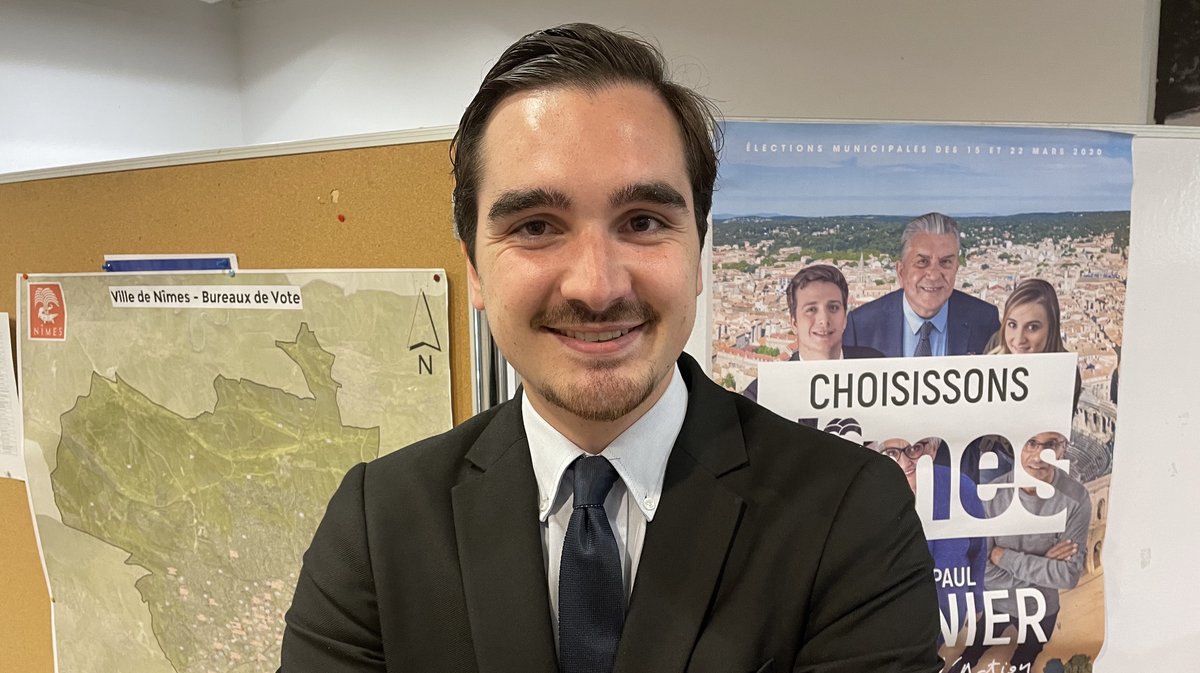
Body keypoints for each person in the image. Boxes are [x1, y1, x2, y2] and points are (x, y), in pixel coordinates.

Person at [279, 23, 941, 673]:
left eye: (643, 221)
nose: (597, 285)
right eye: (537, 226)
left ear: (698, 250)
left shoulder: (848, 512)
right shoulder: (380, 523)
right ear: (474, 270)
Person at [947, 431, 1090, 673]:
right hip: (995, 604)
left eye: (1050, 445)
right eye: (1031, 443)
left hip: (1042, 609)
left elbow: (1068, 575)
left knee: (1024, 662)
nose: (1039, 455)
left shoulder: (1076, 498)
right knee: (970, 655)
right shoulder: (991, 494)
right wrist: (1044, 562)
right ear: (1018, 445)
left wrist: (1004, 557)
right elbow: (985, 573)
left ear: (1063, 448)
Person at [873, 437, 986, 648]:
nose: (905, 462)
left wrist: (977, 601)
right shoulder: (869, 494)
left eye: (915, 448)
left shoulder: (962, 487)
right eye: (891, 453)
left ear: (933, 449)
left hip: (950, 625)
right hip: (891, 631)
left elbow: (977, 550)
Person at [843, 212, 999, 357]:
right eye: (922, 262)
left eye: (945, 262)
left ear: (956, 269)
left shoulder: (985, 321)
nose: (934, 274)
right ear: (901, 271)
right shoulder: (862, 326)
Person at [742, 264, 883, 401]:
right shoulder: (761, 395)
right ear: (794, 323)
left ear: (845, 319)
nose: (824, 320)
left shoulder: (879, 368)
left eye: (833, 308)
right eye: (811, 310)